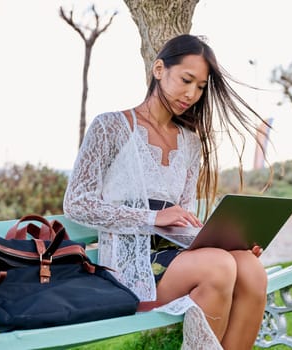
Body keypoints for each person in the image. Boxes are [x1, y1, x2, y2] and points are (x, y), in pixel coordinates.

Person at [63, 34, 271, 349]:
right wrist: (153, 216)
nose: (192, 94)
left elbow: (182, 220)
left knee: (249, 267)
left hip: (176, 257)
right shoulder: (111, 127)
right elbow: (77, 204)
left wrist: (231, 244)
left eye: (201, 87)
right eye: (186, 80)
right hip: (129, 266)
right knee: (219, 267)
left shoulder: (190, 142)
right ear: (159, 69)